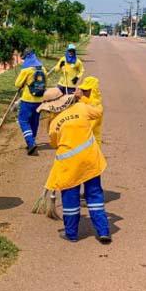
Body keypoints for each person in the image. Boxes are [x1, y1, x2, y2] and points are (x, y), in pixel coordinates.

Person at [46, 89, 112, 244]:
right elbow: (98, 111)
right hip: (91, 162)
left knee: (70, 198)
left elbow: (54, 143)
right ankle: (103, 231)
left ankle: (71, 234)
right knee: (94, 195)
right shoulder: (81, 108)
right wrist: (83, 99)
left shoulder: (54, 124)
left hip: (69, 167)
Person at [14, 49, 47, 155]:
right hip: (39, 100)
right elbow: (45, 83)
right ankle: (32, 141)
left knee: (23, 121)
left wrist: (24, 83)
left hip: (28, 100)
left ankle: (31, 142)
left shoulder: (26, 70)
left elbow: (17, 84)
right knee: (34, 121)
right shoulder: (43, 68)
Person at [77, 76, 104, 147]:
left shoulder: (96, 107)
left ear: (92, 91)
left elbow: (87, 127)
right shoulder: (84, 101)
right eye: (82, 90)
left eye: (85, 90)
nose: (82, 92)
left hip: (92, 146)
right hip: (84, 144)